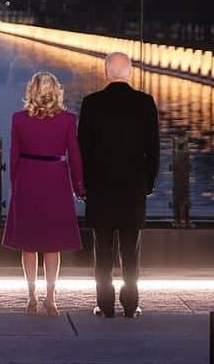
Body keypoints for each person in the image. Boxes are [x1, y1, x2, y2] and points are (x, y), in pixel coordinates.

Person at [78, 52, 160, 319]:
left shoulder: (91, 103)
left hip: (100, 188)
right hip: (132, 189)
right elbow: (154, 151)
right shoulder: (145, 103)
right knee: (130, 250)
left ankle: (105, 304)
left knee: (102, 250)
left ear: (106, 72)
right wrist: (147, 184)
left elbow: (83, 150)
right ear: (130, 72)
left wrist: (83, 185)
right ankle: (130, 304)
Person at [2, 71, 85, 316]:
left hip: (28, 179)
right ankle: (51, 298)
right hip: (56, 180)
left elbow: (13, 156)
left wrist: (14, 183)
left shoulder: (19, 119)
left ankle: (31, 297)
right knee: (52, 245)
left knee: (28, 244)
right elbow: (75, 156)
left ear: (32, 91)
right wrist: (79, 186)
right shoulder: (68, 119)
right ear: (56, 90)